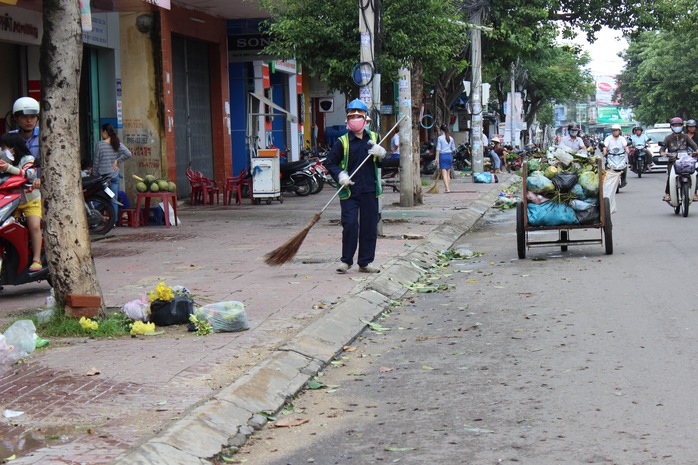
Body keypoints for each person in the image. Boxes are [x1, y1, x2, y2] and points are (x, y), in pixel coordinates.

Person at [325, 99, 386, 274]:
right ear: (347, 120)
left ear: (366, 120)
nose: (355, 119)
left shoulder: (374, 138)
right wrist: (340, 175)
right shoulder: (342, 141)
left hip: (370, 189)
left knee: (369, 226)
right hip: (349, 190)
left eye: (359, 116)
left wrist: (381, 154)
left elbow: (382, 164)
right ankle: (346, 261)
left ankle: (365, 263)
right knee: (350, 224)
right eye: (352, 116)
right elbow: (331, 163)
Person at [0, 132, 42, 272]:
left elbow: (29, 174)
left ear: (13, 148)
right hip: (12, 202)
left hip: (31, 200)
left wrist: (8, 168)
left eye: (5, 147)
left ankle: (36, 259)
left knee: (34, 226)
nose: (3, 150)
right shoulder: (4, 160)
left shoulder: (27, 159)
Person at [91, 123, 132, 215]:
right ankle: (113, 222)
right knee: (113, 198)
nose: (101, 134)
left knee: (98, 198)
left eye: (101, 132)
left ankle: (97, 219)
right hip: (114, 175)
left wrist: (93, 175)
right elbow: (128, 154)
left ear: (105, 132)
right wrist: (118, 161)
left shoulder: (100, 145)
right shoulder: (117, 143)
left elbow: (96, 162)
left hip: (102, 177)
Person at [660, 117, 698, 201]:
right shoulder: (668, 138)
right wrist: (662, 152)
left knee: (693, 174)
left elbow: (694, 146)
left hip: (685, 160)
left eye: (679, 125)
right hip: (673, 161)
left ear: (682, 126)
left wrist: (696, 150)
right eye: (675, 125)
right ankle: (667, 193)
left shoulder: (686, 137)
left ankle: (694, 193)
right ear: (672, 126)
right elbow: (662, 148)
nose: (677, 127)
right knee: (671, 176)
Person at [10, 97, 40, 189]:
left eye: (32, 117)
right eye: (24, 117)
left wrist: (43, 178)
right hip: (17, 186)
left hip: (41, 185)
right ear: (16, 118)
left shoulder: (45, 136)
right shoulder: (9, 138)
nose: (29, 121)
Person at [603, 124, 629, 188]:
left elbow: (625, 146)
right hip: (611, 156)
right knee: (607, 166)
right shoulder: (608, 138)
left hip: (620, 156)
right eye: (613, 130)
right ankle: (607, 181)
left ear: (619, 131)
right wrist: (605, 151)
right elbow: (605, 146)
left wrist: (627, 150)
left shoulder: (622, 138)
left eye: (616, 130)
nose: (615, 132)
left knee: (625, 166)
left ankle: (623, 179)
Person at [435, 124, 456, 192]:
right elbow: (453, 149)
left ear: (441, 131)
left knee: (444, 172)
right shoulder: (451, 138)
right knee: (448, 172)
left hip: (442, 156)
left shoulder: (440, 138)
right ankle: (447, 187)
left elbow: (438, 149)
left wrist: (436, 158)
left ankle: (447, 188)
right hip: (449, 156)